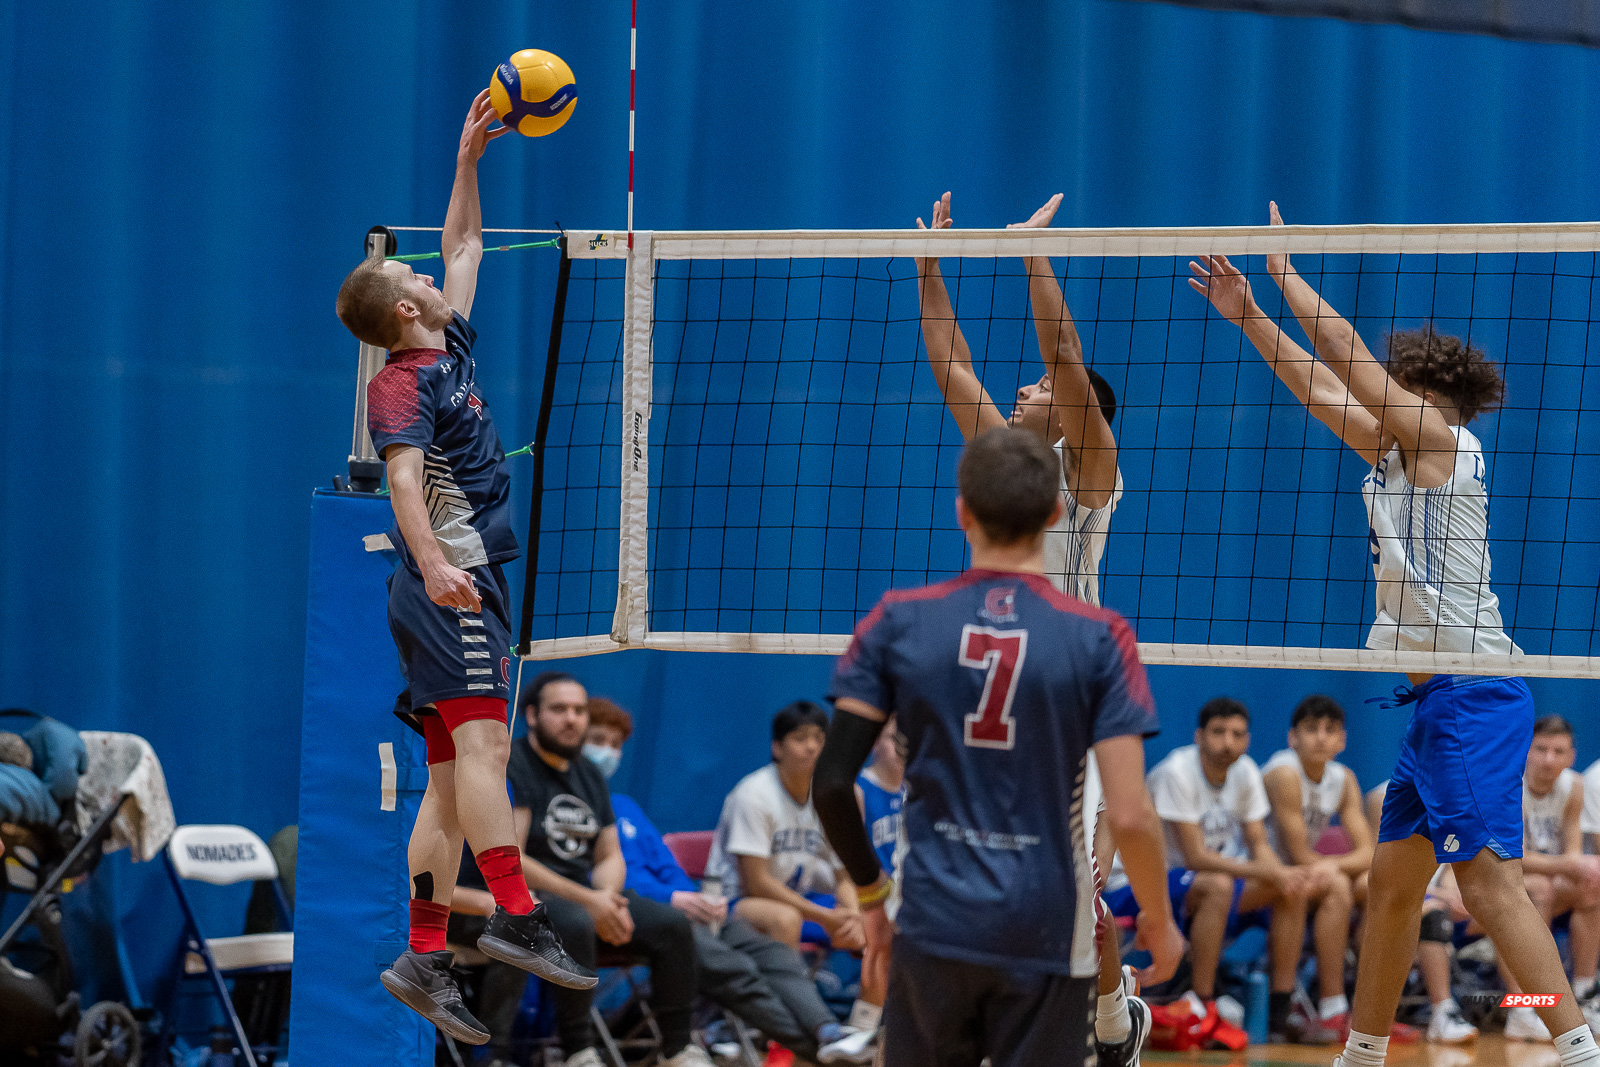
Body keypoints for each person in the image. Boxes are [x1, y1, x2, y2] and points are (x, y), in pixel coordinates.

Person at [1192, 204, 1598, 1067]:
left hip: (1472, 691)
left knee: (1488, 885)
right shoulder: (1393, 455)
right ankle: (1364, 1051)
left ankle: (1574, 1044)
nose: (1379, 397)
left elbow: (1347, 359)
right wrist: (1252, 318)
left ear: (1428, 398)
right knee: (1392, 885)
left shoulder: (1445, 442)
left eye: (1396, 387)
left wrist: (1286, 274)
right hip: (1437, 701)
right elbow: (1320, 385)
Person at [337, 92, 591, 1044]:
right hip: (451, 582)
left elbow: (466, 246)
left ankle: (425, 955)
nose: (435, 274)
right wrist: (440, 564)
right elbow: (401, 480)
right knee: (488, 754)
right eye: (416, 276)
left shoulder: (446, 348)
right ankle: (519, 917)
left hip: (456, 581)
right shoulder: (401, 384)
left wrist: (468, 162)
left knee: (448, 782)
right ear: (408, 309)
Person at [812, 425, 1184, 1067]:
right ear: (1056, 513)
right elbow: (1128, 812)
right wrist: (1158, 917)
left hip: (935, 917)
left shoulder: (897, 618)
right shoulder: (1100, 637)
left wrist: (872, 900)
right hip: (1045, 923)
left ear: (961, 511)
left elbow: (830, 783)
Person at [917, 192, 1143, 1062]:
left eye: (1044, 387)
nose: (1027, 382)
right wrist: (929, 263)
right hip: (994, 692)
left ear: (1079, 407)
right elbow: (949, 362)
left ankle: (1115, 1016)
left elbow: (1066, 354)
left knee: (1077, 901)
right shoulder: (1007, 456)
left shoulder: (1091, 468)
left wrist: (1027, 254)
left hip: (1076, 695)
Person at [583, 698, 871, 1065]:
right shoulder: (755, 793)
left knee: (777, 954)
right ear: (777, 746)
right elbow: (616, 878)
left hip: (693, 911)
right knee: (742, 966)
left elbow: (667, 866)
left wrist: (690, 895)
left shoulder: (624, 806)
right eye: (598, 741)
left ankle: (831, 1030)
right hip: (651, 913)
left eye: (615, 744)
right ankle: (809, 1049)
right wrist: (675, 899)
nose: (607, 752)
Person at [509, 673, 712, 1067]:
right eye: (559, 709)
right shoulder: (515, 765)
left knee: (671, 926)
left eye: (579, 710)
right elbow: (511, 858)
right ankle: (578, 1051)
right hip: (532, 897)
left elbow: (609, 855)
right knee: (576, 920)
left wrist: (607, 898)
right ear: (532, 715)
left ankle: (677, 1048)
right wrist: (592, 902)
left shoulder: (588, 774)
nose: (572, 719)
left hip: (586, 894)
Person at [1143, 698, 1329, 1043]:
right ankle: (1202, 1004)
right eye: (1218, 732)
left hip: (1218, 881)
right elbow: (1195, 856)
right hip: (1158, 882)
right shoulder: (1176, 771)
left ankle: (1280, 1011)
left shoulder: (1245, 771)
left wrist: (1283, 875)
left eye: (1237, 734)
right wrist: (1269, 871)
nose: (1228, 742)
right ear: (1199, 736)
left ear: (1247, 740)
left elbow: (1258, 842)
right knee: (1219, 885)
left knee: (1292, 887)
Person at [706, 702, 866, 953]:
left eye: (819, 739)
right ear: (777, 748)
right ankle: (788, 992)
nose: (812, 747)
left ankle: (867, 994)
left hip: (798, 897)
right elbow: (756, 885)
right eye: (800, 739)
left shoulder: (832, 796)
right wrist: (825, 917)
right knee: (785, 919)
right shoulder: (753, 795)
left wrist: (853, 916)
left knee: (874, 916)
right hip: (733, 902)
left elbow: (844, 873)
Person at [1262, 695, 1374, 1037]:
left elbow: (1369, 851)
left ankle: (1369, 1005)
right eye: (1311, 729)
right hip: (1261, 872)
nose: (1321, 737)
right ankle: (1325, 1005)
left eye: (1330, 730)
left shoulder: (1343, 778)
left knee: (1372, 883)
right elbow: (1296, 854)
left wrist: (1331, 865)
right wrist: (1334, 869)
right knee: (1338, 884)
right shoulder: (1284, 772)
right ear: (1292, 737)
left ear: (1342, 740)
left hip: (1304, 874)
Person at [1363, 782, 1479, 1046]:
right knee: (1431, 913)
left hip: (1444, 893)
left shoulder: (1459, 792)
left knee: (1505, 910)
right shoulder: (1381, 797)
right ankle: (1443, 1012)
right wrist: (1436, 895)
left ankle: (1524, 1008)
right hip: (1400, 894)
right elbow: (1378, 867)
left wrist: (1452, 888)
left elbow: (1456, 855)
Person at [1507, 716, 1600, 1036]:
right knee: (1538, 889)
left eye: (1558, 751)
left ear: (1571, 756)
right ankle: (1522, 1008)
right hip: (1502, 887)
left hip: (1545, 880)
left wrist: (1580, 867)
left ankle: (1584, 994)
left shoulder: (1574, 787)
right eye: (1541, 749)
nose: (1549, 759)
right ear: (1525, 751)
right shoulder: (1509, 787)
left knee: (1593, 885)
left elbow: (1572, 853)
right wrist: (1572, 865)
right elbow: (1512, 860)